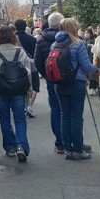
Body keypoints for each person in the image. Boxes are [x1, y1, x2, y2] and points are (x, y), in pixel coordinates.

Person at [53, 18, 100, 160]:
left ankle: (67, 149)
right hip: (76, 83)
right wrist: (96, 69)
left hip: (59, 84)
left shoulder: (55, 45)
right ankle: (78, 150)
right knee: (76, 116)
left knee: (64, 116)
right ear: (74, 28)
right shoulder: (78, 44)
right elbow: (86, 66)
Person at [0, 24, 31, 161]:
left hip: (1, 90)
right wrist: (29, 90)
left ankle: (10, 147)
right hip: (18, 90)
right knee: (20, 118)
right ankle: (21, 146)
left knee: (5, 118)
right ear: (13, 36)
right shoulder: (20, 52)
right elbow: (27, 72)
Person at [34, 12, 66, 154]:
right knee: (69, 110)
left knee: (55, 109)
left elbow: (37, 61)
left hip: (51, 79)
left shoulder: (41, 39)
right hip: (67, 79)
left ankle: (59, 142)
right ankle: (73, 141)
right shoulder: (67, 38)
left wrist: (46, 75)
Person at [14, 19, 39, 118]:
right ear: (25, 27)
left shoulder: (12, 39)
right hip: (32, 66)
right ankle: (29, 105)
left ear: (15, 27)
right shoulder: (32, 39)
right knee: (34, 86)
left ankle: (21, 107)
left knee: (21, 87)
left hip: (17, 67)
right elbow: (36, 54)